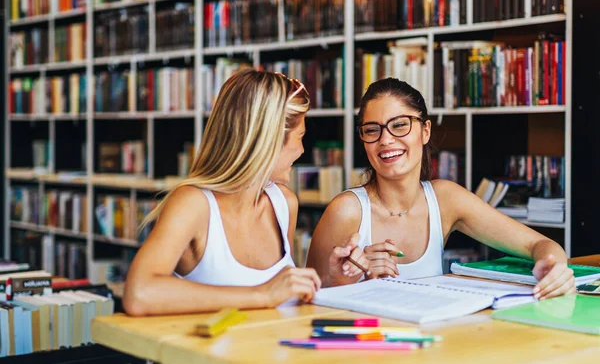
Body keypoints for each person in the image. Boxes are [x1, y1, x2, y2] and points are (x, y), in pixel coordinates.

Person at [306, 78, 575, 300]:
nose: (385, 140)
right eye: (372, 130)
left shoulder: (446, 198)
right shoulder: (346, 210)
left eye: (400, 125)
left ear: (425, 131)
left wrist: (555, 267)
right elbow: (306, 306)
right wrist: (352, 282)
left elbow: (539, 244)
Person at [123, 69, 321, 316]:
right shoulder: (193, 204)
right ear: (267, 140)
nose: (302, 150)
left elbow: (284, 302)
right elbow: (138, 294)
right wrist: (263, 294)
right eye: (300, 137)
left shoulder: (284, 203)